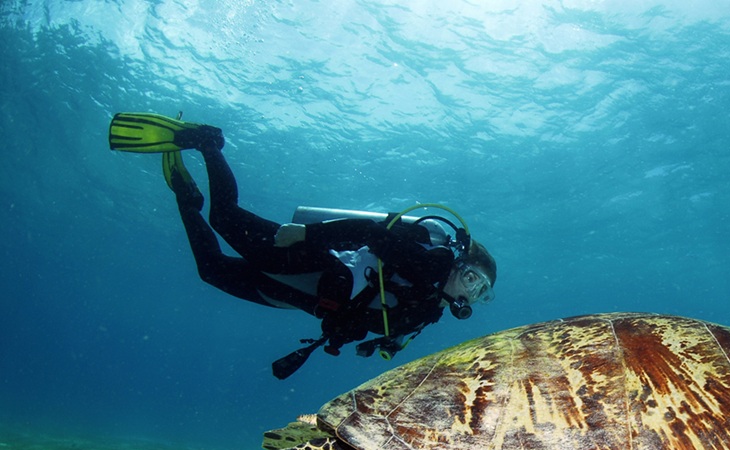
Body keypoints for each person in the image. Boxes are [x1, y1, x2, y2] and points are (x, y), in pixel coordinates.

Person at [108, 112, 497, 379]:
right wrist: (307, 234)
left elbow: (384, 324)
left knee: (211, 269)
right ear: (461, 264)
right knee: (225, 219)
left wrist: (377, 344)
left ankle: (185, 198)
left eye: (480, 292)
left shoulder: (432, 311)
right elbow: (368, 233)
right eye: (472, 278)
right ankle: (209, 143)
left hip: (307, 298)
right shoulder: (431, 264)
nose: (470, 290)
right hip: (314, 264)